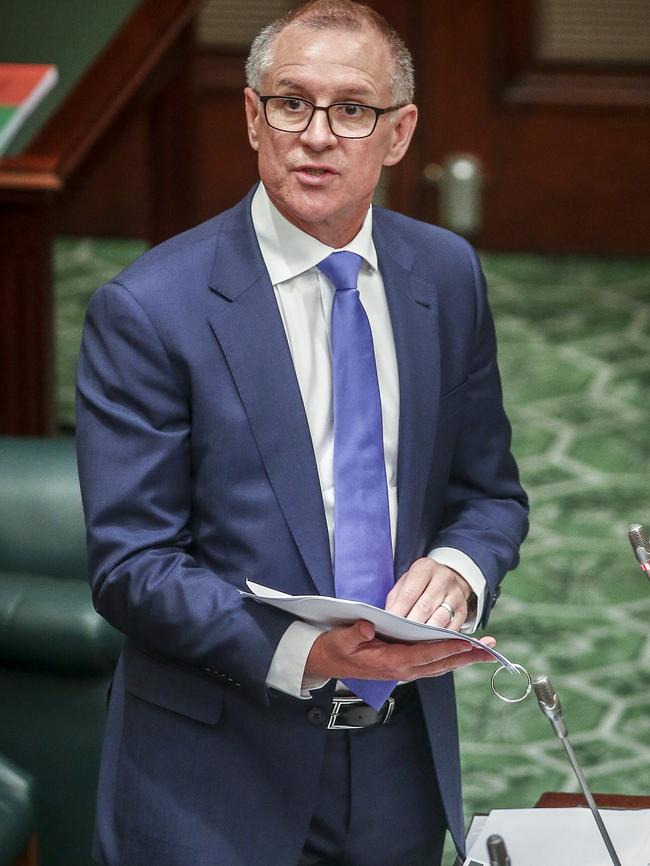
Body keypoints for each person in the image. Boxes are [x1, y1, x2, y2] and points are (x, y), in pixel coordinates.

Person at [76, 2, 528, 864]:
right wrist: (304, 649)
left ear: (398, 135)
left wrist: (460, 571)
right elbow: (133, 564)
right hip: (215, 772)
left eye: (352, 109)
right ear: (253, 118)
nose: (317, 134)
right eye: (292, 103)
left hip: (397, 757)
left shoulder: (445, 275)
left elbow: (489, 493)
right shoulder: (150, 311)